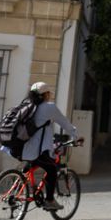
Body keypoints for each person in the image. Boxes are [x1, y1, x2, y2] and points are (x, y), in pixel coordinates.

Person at [20, 81, 78, 210]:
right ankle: (50, 200)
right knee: (51, 170)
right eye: (49, 93)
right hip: (39, 149)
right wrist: (75, 136)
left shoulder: (27, 106)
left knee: (32, 163)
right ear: (45, 94)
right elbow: (64, 123)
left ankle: (20, 182)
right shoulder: (49, 107)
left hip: (22, 148)